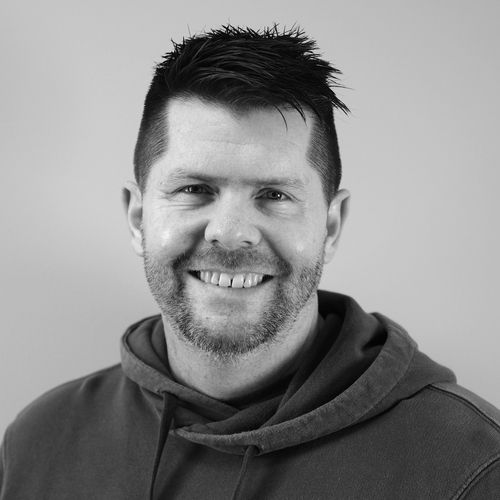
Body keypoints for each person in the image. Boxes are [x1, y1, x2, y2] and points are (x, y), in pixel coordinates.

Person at [1, 24, 499, 500]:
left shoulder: (471, 465)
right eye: (195, 189)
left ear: (330, 225)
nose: (231, 232)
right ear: (137, 217)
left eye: (274, 195)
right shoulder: (41, 441)